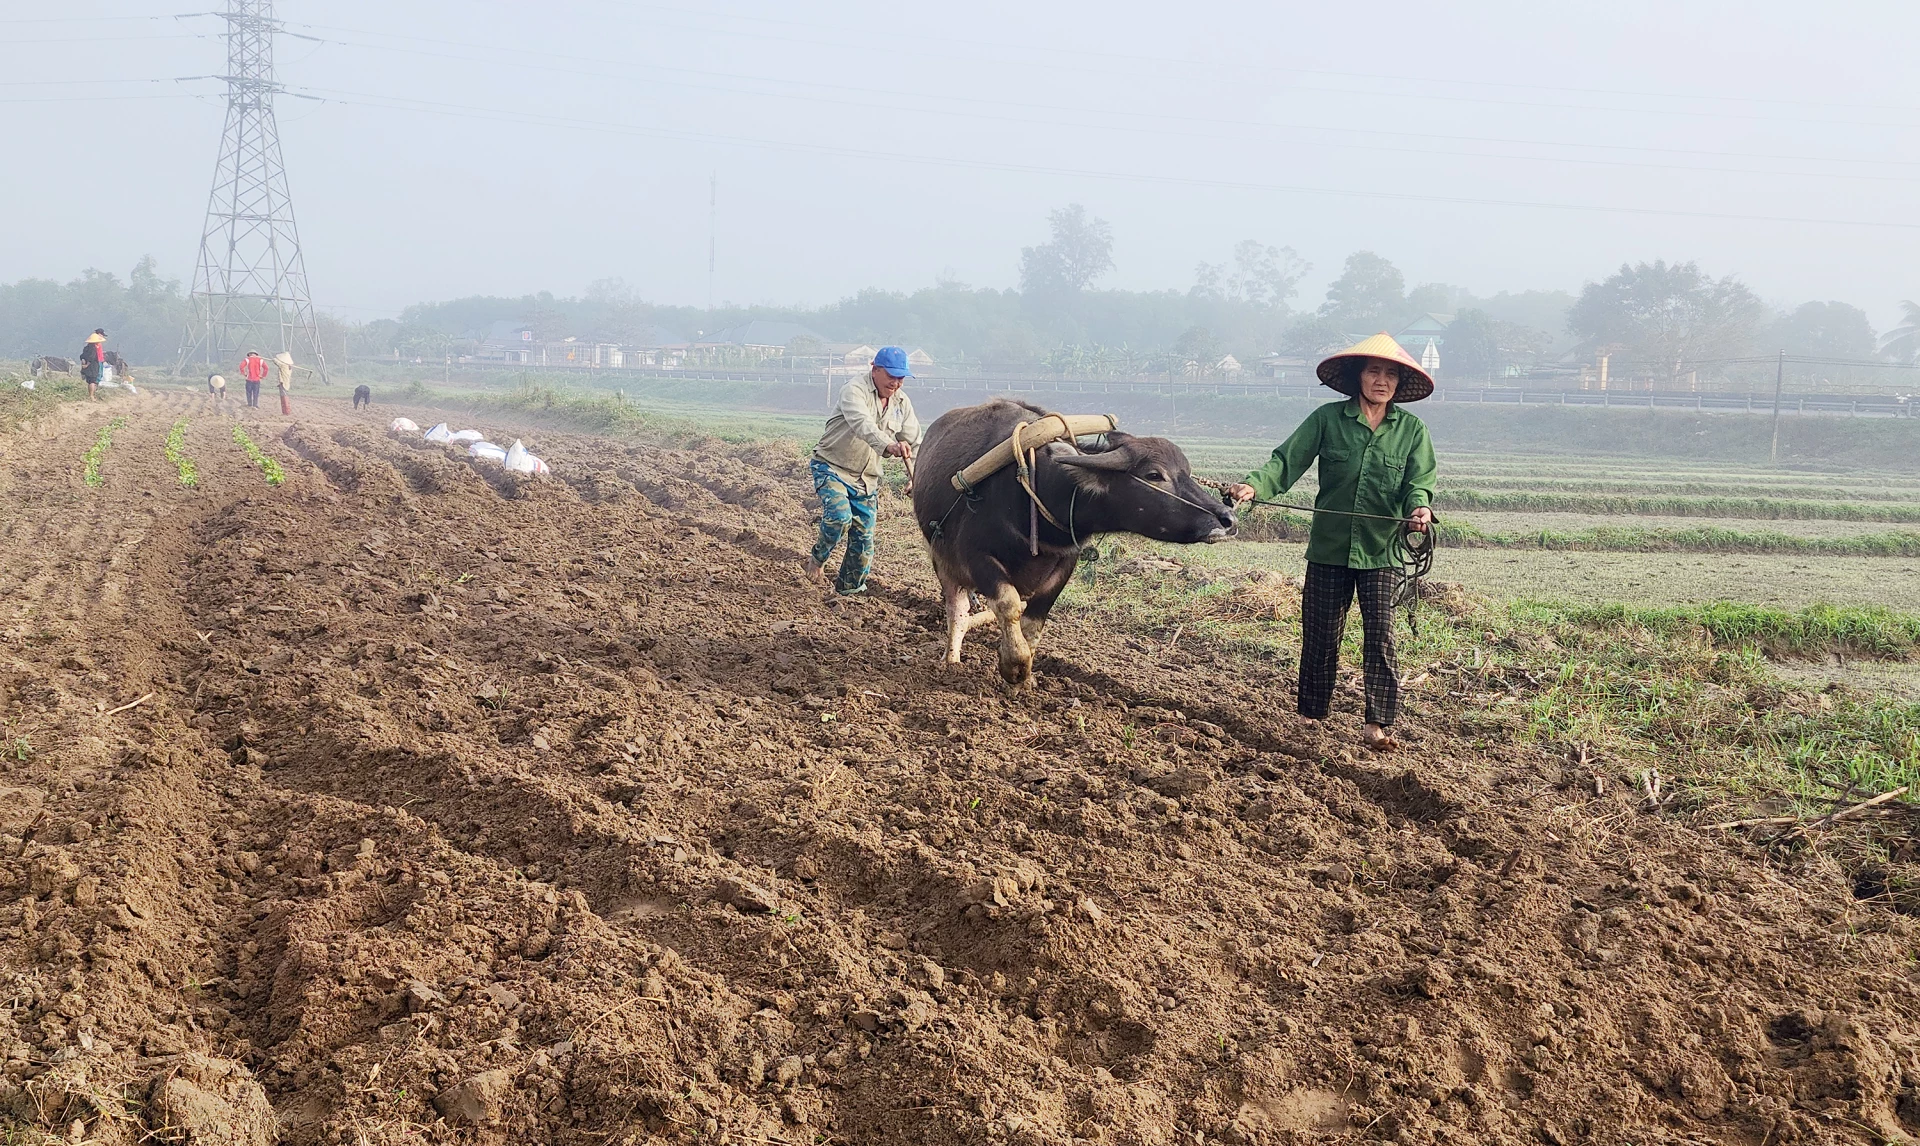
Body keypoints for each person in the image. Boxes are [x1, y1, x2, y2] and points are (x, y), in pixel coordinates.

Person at [1226, 333, 1436, 751]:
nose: (1382, 380)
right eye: (1374, 371)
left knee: (1380, 634)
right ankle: (1310, 715)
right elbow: (1286, 462)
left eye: (1390, 374)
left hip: (1382, 550)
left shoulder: (1411, 431)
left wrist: (1419, 511)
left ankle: (1377, 724)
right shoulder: (1326, 420)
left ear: (1398, 384)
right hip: (1329, 547)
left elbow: (1419, 483)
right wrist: (1253, 486)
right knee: (1321, 633)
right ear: (1358, 377)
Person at [805, 346, 922, 596]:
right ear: (875, 369)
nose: (896, 383)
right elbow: (863, 425)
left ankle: (848, 594)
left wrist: (921, 477)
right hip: (832, 468)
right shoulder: (854, 390)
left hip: (866, 480)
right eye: (891, 375)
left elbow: (915, 442)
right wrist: (889, 445)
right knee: (839, 518)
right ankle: (817, 560)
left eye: (901, 378)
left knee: (863, 543)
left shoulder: (902, 403)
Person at [79, 330, 107, 400]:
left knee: (90, 381)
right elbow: (92, 357)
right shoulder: (94, 348)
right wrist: (87, 364)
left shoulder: (86, 348)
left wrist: (84, 363)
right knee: (93, 381)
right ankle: (91, 396)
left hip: (88, 366)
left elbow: (82, 356)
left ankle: (91, 395)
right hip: (93, 365)